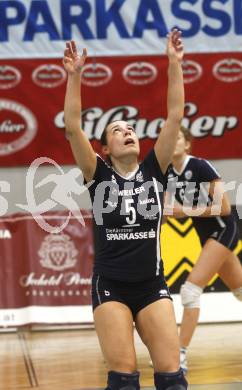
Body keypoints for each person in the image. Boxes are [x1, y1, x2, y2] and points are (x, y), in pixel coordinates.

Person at [62, 30, 188, 390]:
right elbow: (73, 129)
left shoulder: (154, 170)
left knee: (171, 377)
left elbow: (175, 115)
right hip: (111, 287)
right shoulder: (97, 175)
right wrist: (75, 77)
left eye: (131, 128)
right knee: (124, 378)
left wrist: (174, 64)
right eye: (118, 130)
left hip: (152, 285)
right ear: (106, 148)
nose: (128, 132)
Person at [166, 126, 242, 374]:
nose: (172, 141)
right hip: (206, 236)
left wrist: (183, 211)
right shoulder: (167, 173)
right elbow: (168, 212)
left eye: (177, 137)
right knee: (240, 290)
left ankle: (179, 354)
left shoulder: (200, 166)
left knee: (190, 291)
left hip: (224, 229)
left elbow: (225, 208)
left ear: (187, 143)